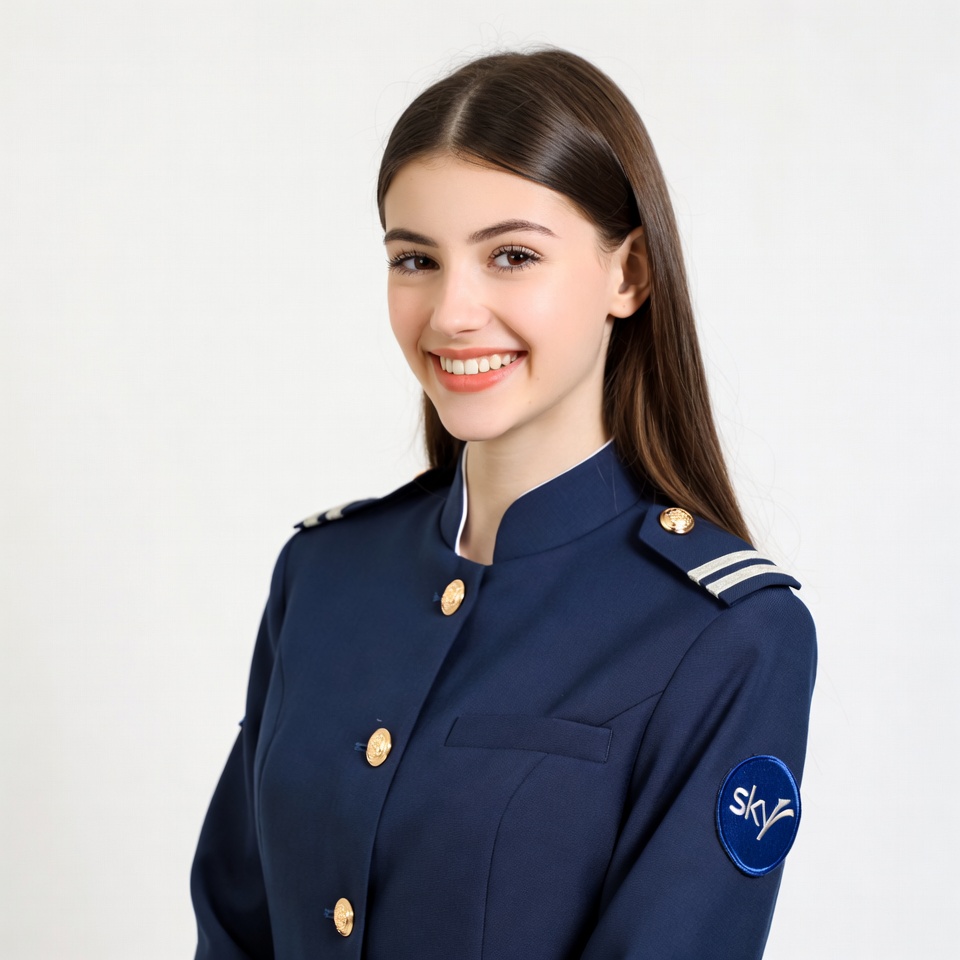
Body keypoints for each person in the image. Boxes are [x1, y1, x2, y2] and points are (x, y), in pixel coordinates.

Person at [191, 49, 817, 959]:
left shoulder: (725, 635)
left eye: (512, 256)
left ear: (629, 275)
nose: (452, 312)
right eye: (416, 259)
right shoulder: (321, 577)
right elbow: (233, 925)